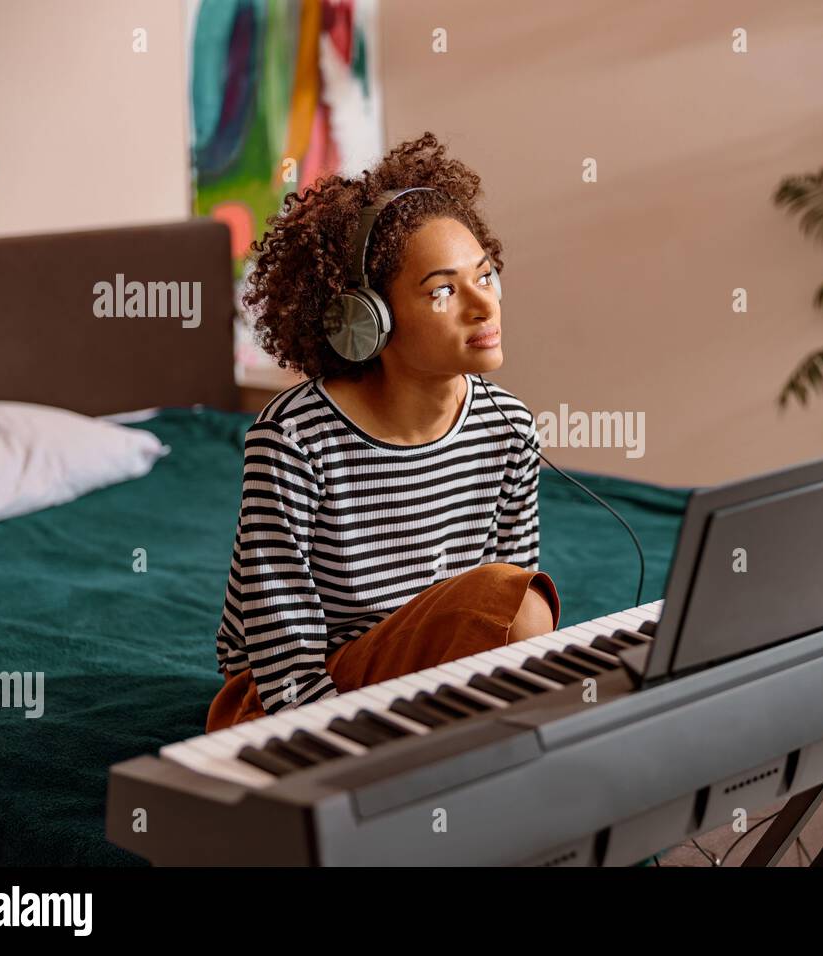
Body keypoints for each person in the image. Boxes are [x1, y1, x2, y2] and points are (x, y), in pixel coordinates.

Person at [206, 132, 559, 733]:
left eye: (486, 275)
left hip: (427, 671)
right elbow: (283, 653)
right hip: (286, 697)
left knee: (519, 605)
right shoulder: (292, 440)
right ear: (365, 320)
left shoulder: (509, 426)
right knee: (518, 605)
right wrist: (341, 747)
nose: (483, 305)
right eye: (443, 290)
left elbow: (502, 612)